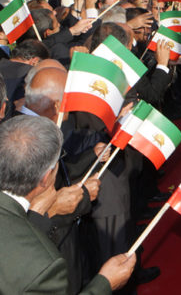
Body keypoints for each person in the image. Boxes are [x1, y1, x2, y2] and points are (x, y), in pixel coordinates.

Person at [0, 115, 136, 293]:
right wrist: (105, 283)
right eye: (57, 164)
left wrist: (40, 212)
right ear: (46, 177)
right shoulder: (45, 267)